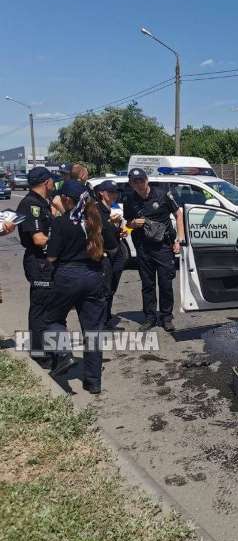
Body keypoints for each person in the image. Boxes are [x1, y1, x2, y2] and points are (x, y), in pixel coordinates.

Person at [44, 180, 115, 392]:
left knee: (51, 319)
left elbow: (52, 256)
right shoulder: (96, 220)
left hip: (67, 276)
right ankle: (93, 383)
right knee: (93, 331)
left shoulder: (61, 223)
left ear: (66, 199)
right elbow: (112, 247)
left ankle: (64, 354)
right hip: (94, 276)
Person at [123, 168, 184, 332]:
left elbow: (179, 214)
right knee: (147, 284)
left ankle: (166, 317)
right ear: (131, 183)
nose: (138, 184)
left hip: (163, 246)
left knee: (165, 283)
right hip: (143, 247)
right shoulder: (129, 199)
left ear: (146, 180)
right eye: (134, 182)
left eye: (141, 181)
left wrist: (179, 239)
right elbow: (127, 222)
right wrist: (133, 224)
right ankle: (150, 317)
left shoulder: (162, 194)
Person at [16, 167, 56, 357]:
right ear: (46, 182)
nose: (54, 184)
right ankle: (39, 353)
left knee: (48, 306)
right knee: (40, 307)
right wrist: (62, 240)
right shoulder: (31, 204)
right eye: (52, 181)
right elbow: (39, 239)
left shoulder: (42, 203)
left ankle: (47, 348)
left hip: (45, 261)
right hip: (38, 262)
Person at [94, 180, 126, 326]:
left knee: (112, 287)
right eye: (110, 192)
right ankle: (100, 320)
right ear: (102, 193)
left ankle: (107, 317)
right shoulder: (95, 209)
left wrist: (123, 230)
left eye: (115, 192)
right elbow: (93, 232)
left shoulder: (116, 208)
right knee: (103, 289)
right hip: (104, 253)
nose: (114, 195)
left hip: (117, 251)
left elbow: (120, 229)